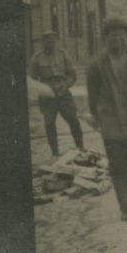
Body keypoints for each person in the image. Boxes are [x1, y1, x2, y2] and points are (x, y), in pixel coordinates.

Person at [86, 18, 127, 222]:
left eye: (121, 37)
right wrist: (100, 119)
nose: (117, 41)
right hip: (112, 123)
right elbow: (92, 96)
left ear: (126, 39)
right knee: (117, 164)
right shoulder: (96, 65)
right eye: (113, 37)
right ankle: (126, 208)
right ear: (106, 40)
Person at [29, 30, 84, 158]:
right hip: (47, 96)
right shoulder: (36, 58)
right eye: (48, 42)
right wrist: (41, 90)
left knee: (74, 120)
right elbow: (30, 80)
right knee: (49, 124)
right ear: (43, 42)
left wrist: (66, 85)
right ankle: (55, 154)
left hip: (63, 93)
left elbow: (73, 75)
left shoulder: (63, 54)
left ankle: (80, 149)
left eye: (53, 42)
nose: (51, 44)